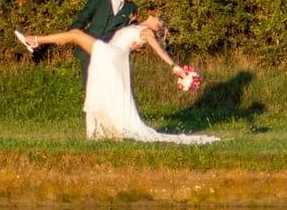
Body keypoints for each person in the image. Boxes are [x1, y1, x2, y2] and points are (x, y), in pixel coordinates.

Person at [14, 13, 216, 144]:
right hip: (111, 55)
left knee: (75, 34)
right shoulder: (134, 25)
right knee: (106, 92)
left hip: (111, 55)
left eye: (159, 21)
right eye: (158, 18)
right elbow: (125, 38)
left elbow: (158, 51)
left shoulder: (146, 33)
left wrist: (174, 67)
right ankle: (115, 132)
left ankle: (34, 40)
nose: (156, 19)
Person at [18, 0, 146, 83]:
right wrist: (68, 36)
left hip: (111, 54)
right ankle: (38, 44)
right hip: (88, 51)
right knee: (91, 92)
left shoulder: (131, 8)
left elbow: (131, 30)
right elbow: (82, 20)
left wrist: (136, 43)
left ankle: (35, 41)